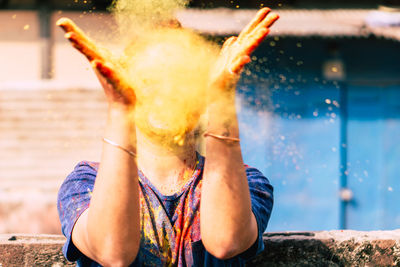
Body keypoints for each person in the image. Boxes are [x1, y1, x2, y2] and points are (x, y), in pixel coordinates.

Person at [57, 7, 279, 267]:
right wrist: (120, 108)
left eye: (180, 79)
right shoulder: (86, 182)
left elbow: (226, 241)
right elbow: (113, 252)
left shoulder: (249, 182)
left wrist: (221, 98)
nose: (166, 93)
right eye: (150, 80)